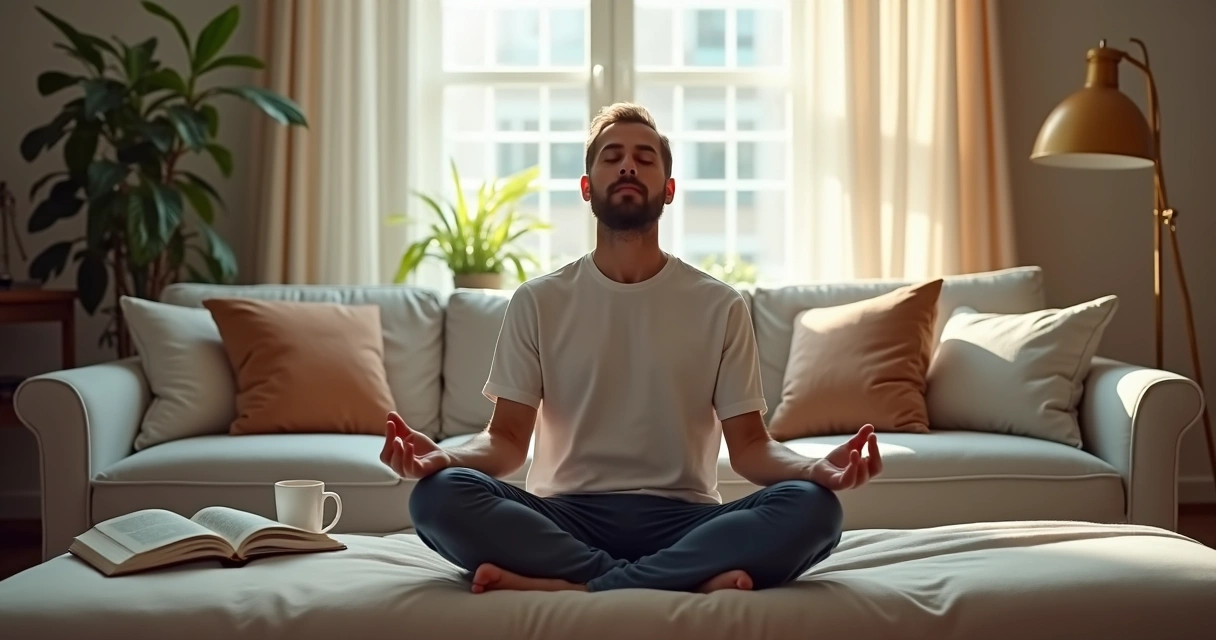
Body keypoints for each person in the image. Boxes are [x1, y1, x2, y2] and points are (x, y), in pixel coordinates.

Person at [379, 102, 883, 594]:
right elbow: (507, 441)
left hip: (684, 519)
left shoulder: (719, 305)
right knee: (438, 498)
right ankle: (677, 578)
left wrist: (811, 469)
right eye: (611, 155)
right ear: (586, 187)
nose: (627, 165)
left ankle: (577, 583)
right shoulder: (538, 300)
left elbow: (750, 448)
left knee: (815, 507)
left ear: (667, 190)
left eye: (644, 158)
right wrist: (446, 459)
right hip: (565, 515)